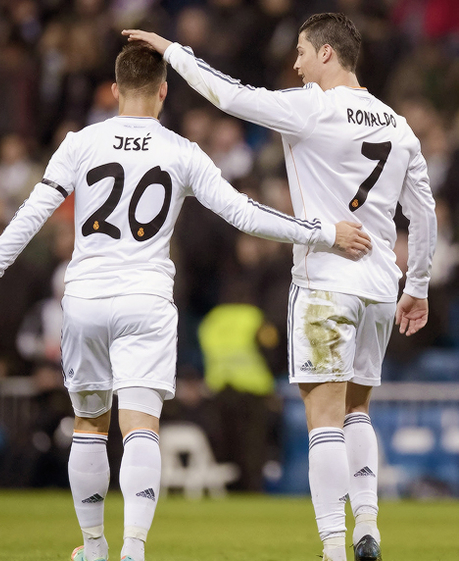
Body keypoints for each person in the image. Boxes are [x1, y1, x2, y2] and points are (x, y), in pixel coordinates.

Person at [0, 40, 370, 561]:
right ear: (162, 91)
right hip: (147, 300)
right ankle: (134, 549)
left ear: (115, 90)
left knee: (90, 426)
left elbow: (31, 212)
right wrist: (322, 231)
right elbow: (245, 215)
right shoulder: (180, 150)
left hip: (85, 296)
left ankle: (94, 547)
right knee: (141, 426)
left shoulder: (81, 142)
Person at [123, 12, 437, 561]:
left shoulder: (312, 107)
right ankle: (368, 526)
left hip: (326, 281)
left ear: (326, 55)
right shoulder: (399, 125)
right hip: (382, 289)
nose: (293, 64)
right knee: (357, 411)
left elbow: (228, 96)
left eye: (300, 52)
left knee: (324, 418)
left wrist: (172, 51)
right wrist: (421, 284)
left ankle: (334, 549)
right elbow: (425, 212)